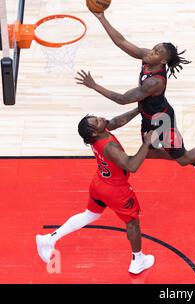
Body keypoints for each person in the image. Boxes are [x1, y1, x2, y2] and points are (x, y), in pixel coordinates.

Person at [75, 11, 195, 183]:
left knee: (183, 159)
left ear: (162, 62)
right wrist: (101, 17)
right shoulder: (148, 57)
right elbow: (121, 42)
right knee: (151, 153)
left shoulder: (155, 82)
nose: (150, 52)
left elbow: (122, 99)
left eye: (156, 52)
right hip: (148, 117)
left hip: (162, 121)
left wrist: (94, 86)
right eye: (153, 48)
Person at [36, 107, 158, 274]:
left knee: (90, 214)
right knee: (132, 222)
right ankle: (138, 260)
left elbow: (115, 121)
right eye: (98, 121)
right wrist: (146, 143)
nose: (101, 118)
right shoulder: (109, 148)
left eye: (97, 117)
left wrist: (139, 109)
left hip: (99, 183)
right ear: (94, 133)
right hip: (116, 190)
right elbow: (132, 165)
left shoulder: (98, 133)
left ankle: (49, 239)